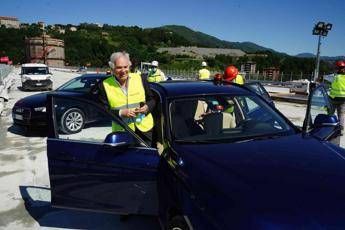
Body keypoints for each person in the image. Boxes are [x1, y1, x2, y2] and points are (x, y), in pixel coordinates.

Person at [96, 51, 156, 142]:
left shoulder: (141, 79)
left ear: (129, 66)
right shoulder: (104, 85)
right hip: (122, 131)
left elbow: (152, 99)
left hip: (145, 129)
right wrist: (120, 113)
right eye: (119, 68)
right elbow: (102, 111)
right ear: (112, 68)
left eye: (125, 67)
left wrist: (147, 107)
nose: (123, 71)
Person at [329, 60, 345, 131]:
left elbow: (321, 79)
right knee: (341, 114)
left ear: (336, 69)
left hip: (333, 99)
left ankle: (328, 125)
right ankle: (340, 128)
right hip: (343, 99)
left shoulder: (333, 77)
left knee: (330, 112)